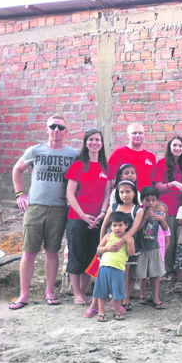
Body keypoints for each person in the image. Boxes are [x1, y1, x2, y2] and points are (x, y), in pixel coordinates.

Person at [10, 114, 79, 310]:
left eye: (60, 127)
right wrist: (20, 194)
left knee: (52, 251)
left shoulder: (72, 155)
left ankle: (49, 292)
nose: (56, 130)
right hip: (35, 207)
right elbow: (17, 170)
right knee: (29, 251)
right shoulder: (35, 151)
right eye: (52, 126)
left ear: (66, 131)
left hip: (59, 208)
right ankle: (23, 294)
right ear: (47, 129)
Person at [65, 128, 111, 305]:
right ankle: (77, 293)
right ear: (86, 143)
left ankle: (85, 291)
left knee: (92, 256)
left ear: (101, 143)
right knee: (76, 255)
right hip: (77, 218)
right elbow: (70, 194)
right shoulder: (78, 165)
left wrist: (101, 214)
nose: (94, 143)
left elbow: (107, 194)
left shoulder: (105, 168)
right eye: (91, 140)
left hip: (97, 219)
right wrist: (83, 215)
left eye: (97, 140)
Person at [92, 179, 143, 315]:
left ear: (134, 193)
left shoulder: (138, 210)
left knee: (124, 274)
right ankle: (96, 305)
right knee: (102, 274)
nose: (125, 195)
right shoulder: (113, 207)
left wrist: (122, 242)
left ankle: (118, 302)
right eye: (121, 192)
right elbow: (104, 226)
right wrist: (101, 245)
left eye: (128, 192)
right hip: (109, 248)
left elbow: (135, 227)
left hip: (127, 247)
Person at [153, 136, 182, 282]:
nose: (177, 148)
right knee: (168, 242)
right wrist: (173, 183)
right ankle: (168, 271)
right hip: (167, 209)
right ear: (169, 147)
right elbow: (157, 187)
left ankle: (179, 270)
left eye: (180, 146)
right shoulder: (162, 164)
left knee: (180, 241)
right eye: (174, 145)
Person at [129, 186, 169, 309]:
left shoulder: (157, 214)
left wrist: (161, 219)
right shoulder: (138, 213)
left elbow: (166, 229)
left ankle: (155, 297)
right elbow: (136, 229)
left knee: (155, 274)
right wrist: (145, 217)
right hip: (141, 249)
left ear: (156, 201)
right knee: (139, 274)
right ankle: (141, 295)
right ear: (142, 200)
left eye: (153, 200)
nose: (150, 203)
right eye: (147, 200)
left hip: (154, 248)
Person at [92, 212, 135, 322]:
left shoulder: (128, 238)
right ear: (111, 226)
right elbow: (99, 249)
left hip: (118, 269)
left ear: (126, 225)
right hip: (104, 267)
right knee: (101, 291)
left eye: (120, 225)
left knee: (117, 291)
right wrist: (107, 247)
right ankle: (101, 311)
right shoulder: (108, 237)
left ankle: (117, 311)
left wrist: (129, 243)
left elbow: (131, 253)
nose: (117, 228)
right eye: (114, 225)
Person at [108, 122, 156, 189]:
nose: (137, 135)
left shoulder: (151, 156)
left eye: (140, 133)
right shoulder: (119, 153)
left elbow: (153, 181)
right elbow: (109, 176)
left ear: (144, 135)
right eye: (134, 133)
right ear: (127, 135)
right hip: (126, 197)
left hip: (145, 197)